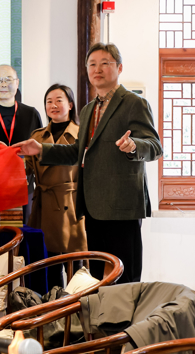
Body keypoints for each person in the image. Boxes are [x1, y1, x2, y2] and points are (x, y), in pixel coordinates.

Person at [18, 43, 161, 283]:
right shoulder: (88, 110)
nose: (97, 69)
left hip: (122, 205)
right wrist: (41, 149)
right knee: (94, 277)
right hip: (92, 206)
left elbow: (154, 146)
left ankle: (126, 310)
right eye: (92, 64)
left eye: (105, 63)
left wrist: (134, 146)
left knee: (125, 277)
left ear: (119, 68)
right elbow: (76, 152)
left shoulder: (134, 103)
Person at [25, 84, 87, 257]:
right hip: (43, 203)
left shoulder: (82, 134)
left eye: (59, 100)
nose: (53, 105)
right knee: (47, 259)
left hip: (72, 205)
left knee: (75, 259)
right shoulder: (37, 136)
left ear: (70, 105)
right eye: (49, 101)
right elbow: (27, 168)